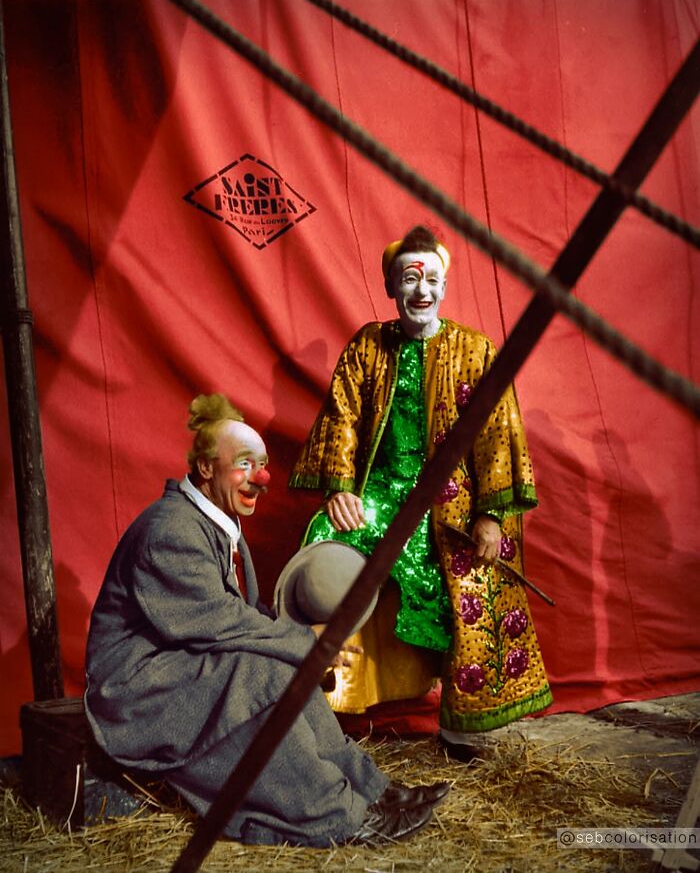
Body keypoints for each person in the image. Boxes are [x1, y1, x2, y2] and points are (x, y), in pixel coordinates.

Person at [85, 393, 448, 848]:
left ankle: (370, 790)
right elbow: (220, 623)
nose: (261, 477)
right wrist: (309, 646)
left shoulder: (212, 522)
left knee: (282, 667)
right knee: (261, 673)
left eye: (262, 463)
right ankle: (338, 818)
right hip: (138, 692)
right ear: (205, 469)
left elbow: (233, 621)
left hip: (179, 663)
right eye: (244, 463)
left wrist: (301, 654)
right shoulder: (171, 530)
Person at [289, 225, 552, 758]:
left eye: (431, 278)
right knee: (325, 548)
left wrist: (491, 514)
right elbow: (342, 417)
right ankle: (326, 708)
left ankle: (460, 729)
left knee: (470, 574)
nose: (421, 289)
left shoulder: (477, 351)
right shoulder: (367, 345)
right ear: (391, 286)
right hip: (379, 495)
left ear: (445, 286)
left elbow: (499, 437)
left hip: (451, 504)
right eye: (410, 278)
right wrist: (339, 488)